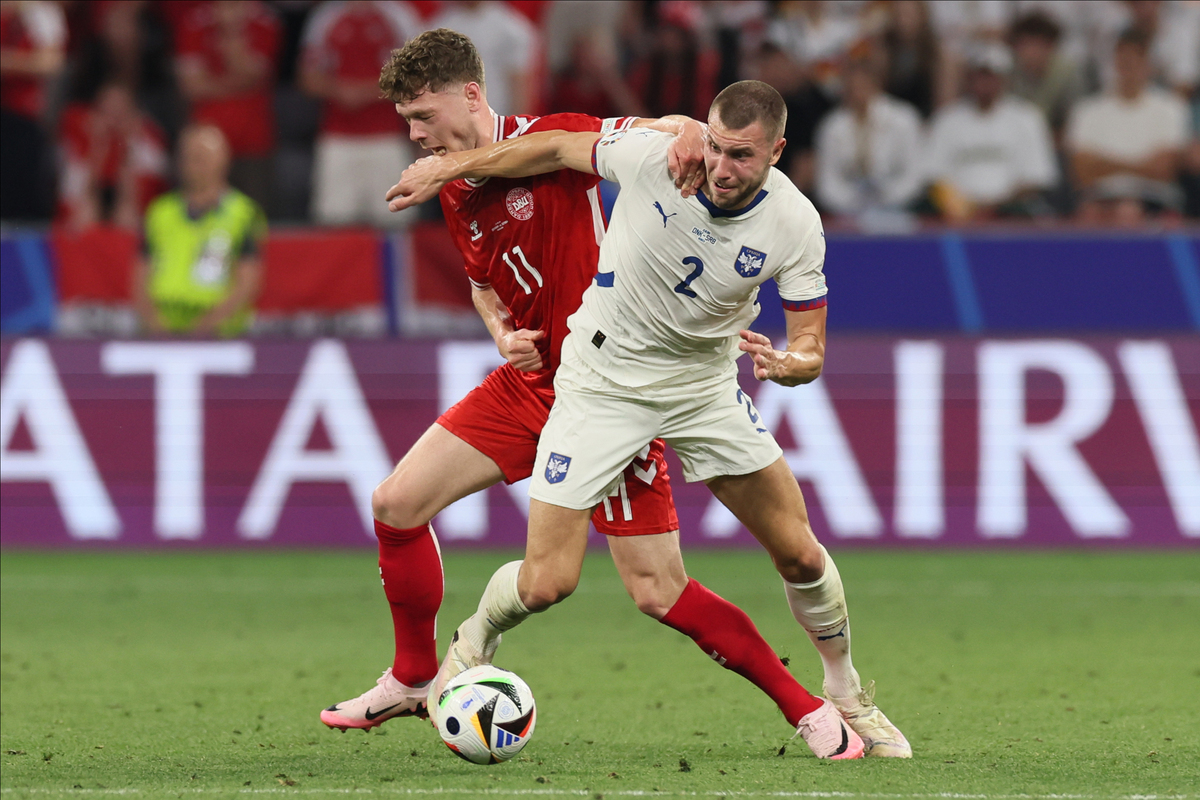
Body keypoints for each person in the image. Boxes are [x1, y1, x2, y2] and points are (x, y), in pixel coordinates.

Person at [320, 29, 857, 762]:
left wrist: (693, 131)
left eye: (421, 115)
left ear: (469, 96)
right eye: (408, 122)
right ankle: (413, 678)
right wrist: (499, 331)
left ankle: (810, 704)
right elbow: (483, 283)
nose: (414, 134)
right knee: (395, 505)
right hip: (530, 382)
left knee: (653, 588)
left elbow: (659, 134)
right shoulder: (453, 186)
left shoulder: (552, 136)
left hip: (616, 385)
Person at [298, 0, 423, 228]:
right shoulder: (326, 16)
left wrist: (365, 92)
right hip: (338, 137)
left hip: (387, 137)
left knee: (396, 220)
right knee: (333, 221)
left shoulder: (399, 16)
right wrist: (339, 90)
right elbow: (307, 78)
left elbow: (417, 78)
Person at [133, 124, 265, 337]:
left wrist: (205, 327)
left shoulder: (243, 214)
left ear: (223, 160)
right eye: (189, 157)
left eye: (202, 157)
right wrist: (153, 321)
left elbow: (248, 283)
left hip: (219, 334)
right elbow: (141, 275)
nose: (194, 164)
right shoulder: (160, 212)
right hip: (163, 329)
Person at [1065, 27, 1189, 225]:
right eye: (1123, 62)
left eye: (1134, 61)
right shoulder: (1087, 110)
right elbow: (1082, 171)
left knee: (1127, 211)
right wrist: (1140, 164)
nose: (1128, 68)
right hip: (1098, 196)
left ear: (1148, 65)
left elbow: (1165, 170)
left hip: (1154, 197)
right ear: (1114, 63)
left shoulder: (1171, 108)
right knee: (1090, 213)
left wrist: (1104, 163)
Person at [924, 42, 1057, 222]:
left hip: (1013, 212)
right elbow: (934, 176)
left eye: (991, 76)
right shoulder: (947, 120)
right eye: (979, 76)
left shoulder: (1027, 118)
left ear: (1004, 79)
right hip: (956, 215)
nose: (984, 83)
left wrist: (994, 206)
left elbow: (1036, 178)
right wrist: (963, 206)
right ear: (969, 78)